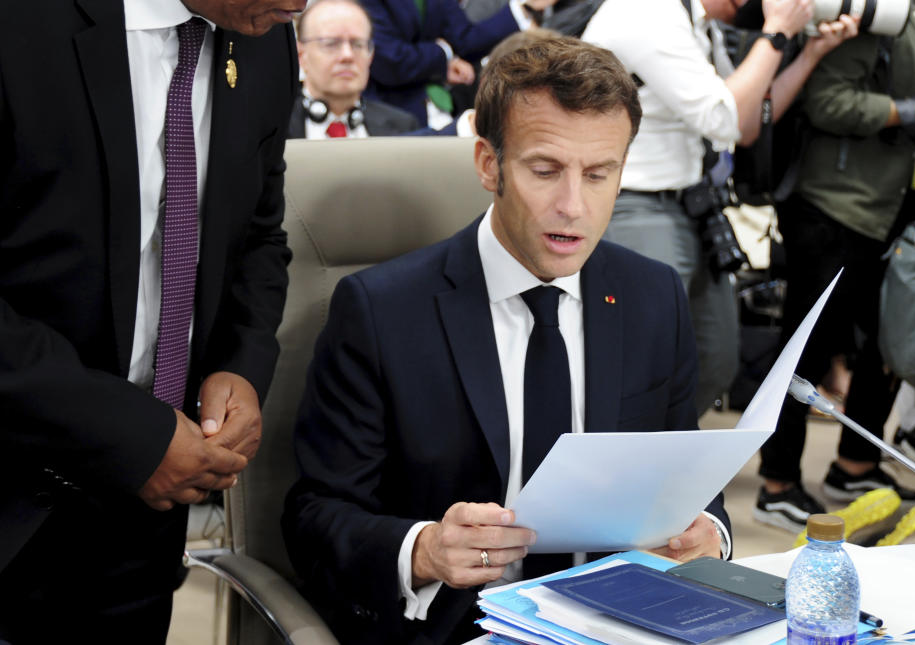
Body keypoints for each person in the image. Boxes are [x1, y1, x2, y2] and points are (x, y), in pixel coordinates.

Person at [283, 35, 731, 645]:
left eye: (600, 174)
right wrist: (424, 550)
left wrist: (711, 532)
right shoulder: (382, 311)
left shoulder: (653, 295)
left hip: (622, 621)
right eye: (545, 170)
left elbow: (690, 483)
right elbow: (313, 518)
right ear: (489, 164)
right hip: (458, 628)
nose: (573, 205)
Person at [0, 0, 299, 641]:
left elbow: (258, 236)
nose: (302, 4)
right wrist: (128, 433)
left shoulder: (264, 35)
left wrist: (240, 366)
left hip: (142, 520)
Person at [581, 0, 857, 418]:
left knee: (716, 360)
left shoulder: (697, 25)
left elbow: (747, 123)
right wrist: (777, 31)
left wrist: (810, 53)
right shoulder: (645, 12)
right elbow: (721, 118)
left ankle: (660, 456)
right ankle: (631, 468)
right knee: (649, 365)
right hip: (636, 203)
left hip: (691, 206)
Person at [755, 0, 915, 532]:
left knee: (886, 342)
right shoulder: (880, 11)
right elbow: (827, 103)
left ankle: (855, 467)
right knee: (807, 348)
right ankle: (776, 483)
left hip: (891, 208)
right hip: (836, 207)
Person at [360, 0, 559, 129]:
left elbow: (463, 39)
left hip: (446, 110)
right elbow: (391, 60)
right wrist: (444, 54)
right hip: (389, 115)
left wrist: (523, 8)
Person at [289, 0, 420, 139]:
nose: (347, 55)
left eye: (358, 44)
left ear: (370, 55)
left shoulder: (403, 127)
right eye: (331, 44)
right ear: (301, 55)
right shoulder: (273, 125)